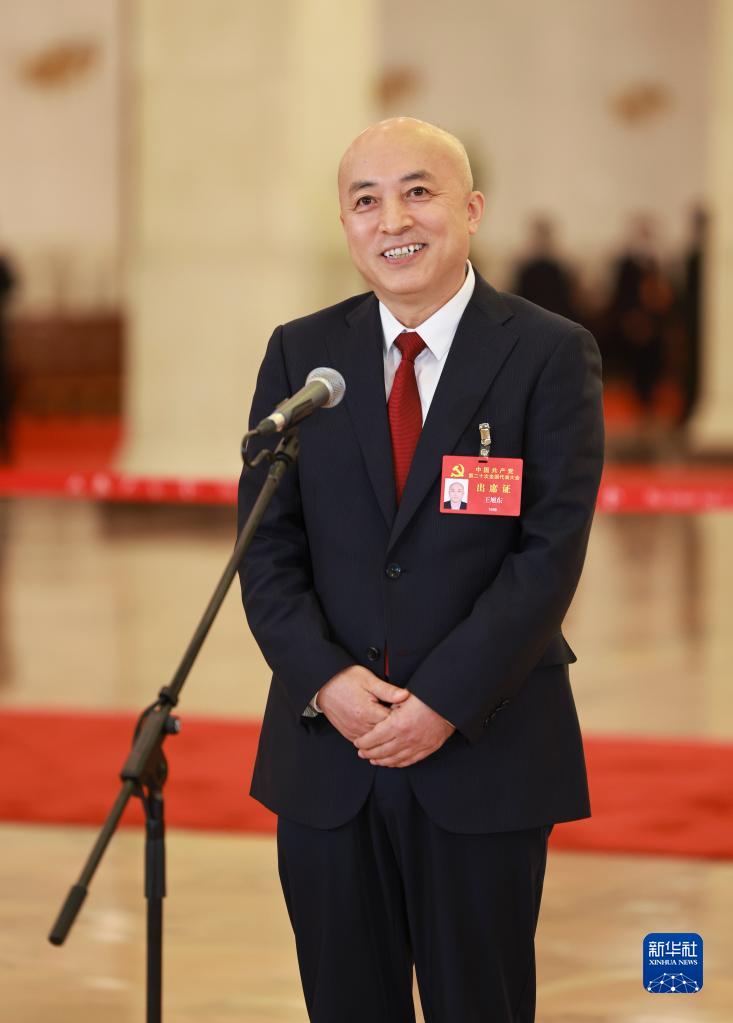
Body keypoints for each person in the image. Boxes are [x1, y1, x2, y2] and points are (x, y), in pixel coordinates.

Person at [237, 117, 604, 1023]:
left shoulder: (547, 352)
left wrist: (441, 700)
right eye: (365, 201)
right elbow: (265, 547)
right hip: (329, 754)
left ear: (470, 209)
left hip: (483, 750)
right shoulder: (302, 355)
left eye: (417, 192)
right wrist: (326, 680)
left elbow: (547, 554)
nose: (392, 219)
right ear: (345, 225)